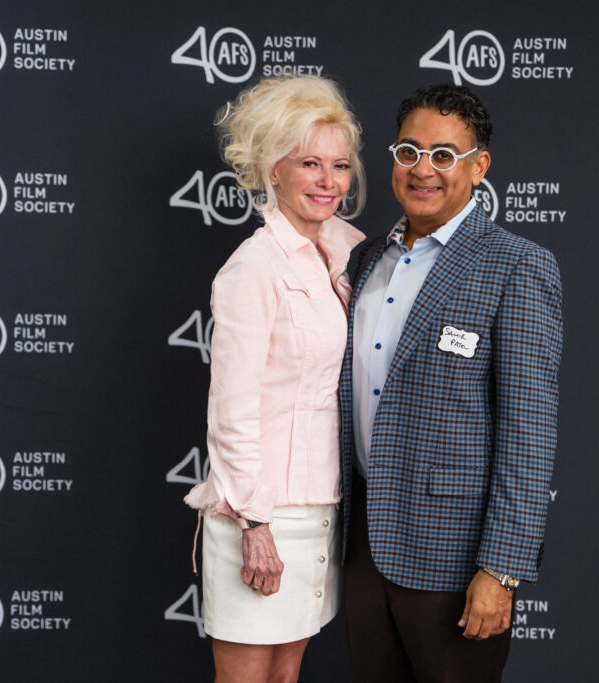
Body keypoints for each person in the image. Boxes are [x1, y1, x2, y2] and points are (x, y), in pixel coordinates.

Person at [339, 83, 563, 682]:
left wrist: (502, 570)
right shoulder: (365, 261)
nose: (423, 170)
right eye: (409, 152)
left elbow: (529, 433)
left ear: (478, 167)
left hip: (456, 562)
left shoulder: (517, 265)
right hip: (362, 548)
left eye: (443, 155)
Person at [184, 75, 366, 683]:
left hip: (320, 508)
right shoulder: (253, 267)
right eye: (309, 163)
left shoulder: (340, 258)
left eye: (339, 165)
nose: (327, 180)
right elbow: (230, 408)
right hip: (260, 514)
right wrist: (255, 522)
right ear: (274, 170)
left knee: (286, 678)